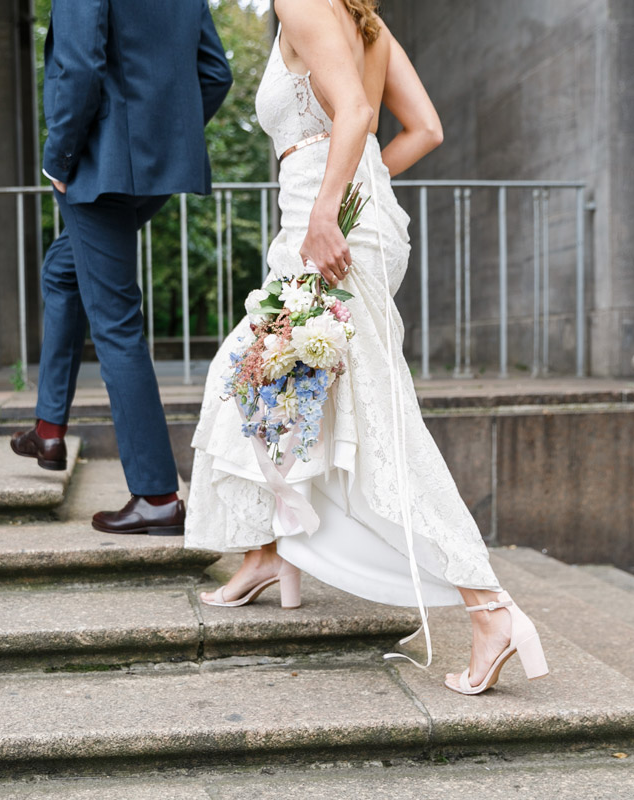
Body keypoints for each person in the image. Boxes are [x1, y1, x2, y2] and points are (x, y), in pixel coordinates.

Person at [185, 0, 549, 696]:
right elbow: (426, 130)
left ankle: (490, 609)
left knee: (374, 420)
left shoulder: (302, 2)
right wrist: (361, 188)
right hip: (350, 216)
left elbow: (353, 112)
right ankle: (269, 552)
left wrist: (329, 210)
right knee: (252, 378)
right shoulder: (367, 24)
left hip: (330, 229)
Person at [12, 0, 233, 537]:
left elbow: (81, 64)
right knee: (63, 270)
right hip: (151, 163)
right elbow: (215, 73)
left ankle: (157, 495)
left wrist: (58, 156)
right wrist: (165, 135)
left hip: (96, 166)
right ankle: (47, 429)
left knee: (115, 325)